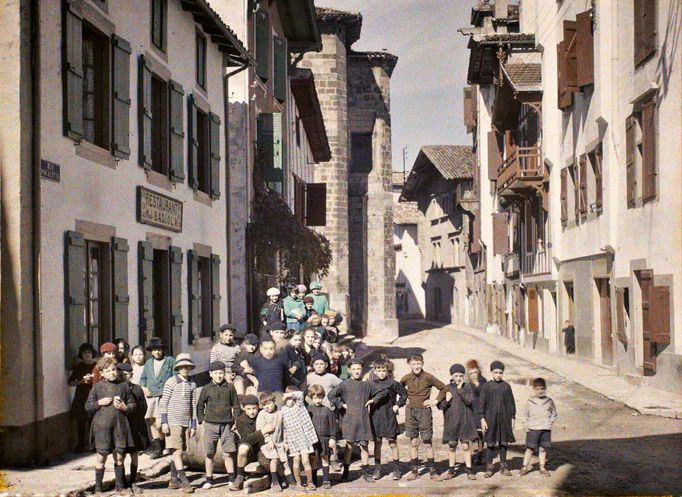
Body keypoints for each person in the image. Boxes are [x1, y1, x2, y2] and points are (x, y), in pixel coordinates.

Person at [328, 358, 387, 483]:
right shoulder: (345, 384)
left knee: (364, 446)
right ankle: (346, 472)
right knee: (349, 445)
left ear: (362, 370)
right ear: (349, 370)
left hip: (364, 419)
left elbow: (383, 391)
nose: (356, 371)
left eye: (359, 369)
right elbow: (331, 395)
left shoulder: (367, 385)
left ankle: (365, 472)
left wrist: (372, 400)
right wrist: (341, 405)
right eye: (354, 369)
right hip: (350, 419)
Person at [85, 357, 136, 494]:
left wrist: (125, 407)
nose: (112, 373)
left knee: (119, 456)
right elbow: (88, 406)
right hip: (102, 427)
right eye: (108, 371)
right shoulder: (98, 387)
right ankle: (98, 488)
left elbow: (132, 404)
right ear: (101, 373)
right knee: (101, 457)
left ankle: (119, 486)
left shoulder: (123, 386)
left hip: (120, 426)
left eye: (113, 369)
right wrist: (99, 403)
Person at [400, 354, 449, 481]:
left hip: (424, 412)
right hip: (410, 412)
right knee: (413, 442)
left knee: (427, 442)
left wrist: (435, 401)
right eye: (413, 364)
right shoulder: (406, 378)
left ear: (422, 363)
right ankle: (414, 471)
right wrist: (403, 400)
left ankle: (433, 471)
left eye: (418, 364)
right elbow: (398, 390)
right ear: (409, 365)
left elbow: (443, 388)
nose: (416, 367)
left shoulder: (428, 377)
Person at [197, 361, 242, 490]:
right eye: (216, 373)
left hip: (227, 425)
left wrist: (236, 421)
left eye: (221, 373)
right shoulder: (206, 388)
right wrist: (202, 421)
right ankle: (209, 480)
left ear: (225, 374)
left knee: (228, 453)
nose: (219, 376)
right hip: (210, 425)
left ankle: (231, 479)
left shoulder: (230, 387)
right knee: (209, 453)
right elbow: (200, 406)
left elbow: (236, 405)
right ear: (210, 374)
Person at [160, 353, 198, 493]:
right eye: (181, 366)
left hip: (185, 422)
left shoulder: (192, 383)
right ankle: (184, 480)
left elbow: (193, 405)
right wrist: (164, 422)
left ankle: (173, 479)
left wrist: (193, 424)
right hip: (172, 421)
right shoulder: (171, 381)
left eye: (187, 366)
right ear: (178, 367)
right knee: (177, 450)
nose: (184, 369)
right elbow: (164, 403)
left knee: (179, 452)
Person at [438, 364, 478, 480]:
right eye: (456, 376)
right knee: (452, 446)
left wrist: (460, 390)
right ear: (451, 375)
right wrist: (446, 400)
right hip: (451, 422)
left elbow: (469, 401)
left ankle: (469, 470)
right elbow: (440, 407)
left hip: (465, 422)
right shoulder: (446, 388)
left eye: (461, 376)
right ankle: (451, 470)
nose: (459, 378)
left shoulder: (467, 387)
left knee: (466, 446)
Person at [369, 358, 407, 481]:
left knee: (392, 442)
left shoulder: (393, 383)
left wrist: (398, 405)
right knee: (377, 443)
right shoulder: (370, 384)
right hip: (375, 416)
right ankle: (378, 468)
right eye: (379, 370)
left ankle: (396, 468)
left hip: (389, 416)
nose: (381, 373)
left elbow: (404, 394)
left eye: (384, 370)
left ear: (387, 371)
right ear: (374, 371)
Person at [139, 337, 176, 459]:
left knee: (161, 423)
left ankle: (163, 444)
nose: (157, 352)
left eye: (159, 349)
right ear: (151, 351)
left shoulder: (170, 361)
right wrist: (144, 389)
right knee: (152, 421)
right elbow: (143, 379)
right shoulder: (149, 363)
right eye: (154, 350)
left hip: (164, 396)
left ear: (163, 350)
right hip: (151, 397)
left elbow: (175, 377)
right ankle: (157, 448)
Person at [480, 360, 516, 478]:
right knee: (490, 443)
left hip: (504, 419)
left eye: (500, 373)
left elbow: (511, 403)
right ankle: (489, 466)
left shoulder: (506, 386)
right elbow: (482, 403)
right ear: (491, 372)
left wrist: (513, 418)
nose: (498, 375)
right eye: (496, 372)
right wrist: (482, 418)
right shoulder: (487, 386)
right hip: (491, 419)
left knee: (503, 442)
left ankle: (503, 465)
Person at [230, 395, 275, 491]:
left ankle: (274, 477)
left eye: (254, 408)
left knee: (267, 464)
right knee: (242, 449)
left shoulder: (263, 413)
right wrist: (263, 431)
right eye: (248, 409)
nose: (252, 411)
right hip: (250, 448)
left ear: (258, 406)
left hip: (262, 447)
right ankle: (240, 475)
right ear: (243, 408)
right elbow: (247, 439)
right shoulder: (241, 420)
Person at [117, 362, 150, 491]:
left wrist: (136, 417)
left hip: (135, 425)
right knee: (121, 454)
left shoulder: (137, 389)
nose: (123, 377)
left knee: (134, 454)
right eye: (121, 375)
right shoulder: (116, 388)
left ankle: (132, 481)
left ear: (131, 375)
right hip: (121, 427)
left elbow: (143, 406)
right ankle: (122, 482)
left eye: (126, 374)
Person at [281, 387, 319, 490]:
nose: (290, 401)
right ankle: (298, 483)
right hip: (292, 439)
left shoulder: (299, 406)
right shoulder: (283, 410)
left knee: (306, 460)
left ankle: (310, 482)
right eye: (288, 399)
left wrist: (289, 395)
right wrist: (285, 441)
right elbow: (284, 428)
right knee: (296, 460)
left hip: (303, 438)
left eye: (292, 398)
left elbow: (300, 394)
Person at [520, 378, 557, 477]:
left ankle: (542, 467)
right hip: (533, 428)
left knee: (543, 449)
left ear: (545, 389)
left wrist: (550, 422)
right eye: (537, 389)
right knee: (530, 449)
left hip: (545, 429)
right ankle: (524, 467)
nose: (540, 391)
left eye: (542, 389)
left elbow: (554, 413)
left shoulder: (549, 401)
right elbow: (525, 415)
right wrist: (525, 425)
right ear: (534, 389)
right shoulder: (530, 402)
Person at [257, 391, 293, 492]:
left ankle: (293, 482)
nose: (266, 407)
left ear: (274, 401)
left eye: (268, 403)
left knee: (285, 462)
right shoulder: (262, 414)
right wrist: (268, 440)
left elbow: (284, 428)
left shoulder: (280, 413)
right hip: (267, 443)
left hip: (279, 442)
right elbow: (260, 430)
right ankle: (275, 482)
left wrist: (285, 441)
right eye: (264, 405)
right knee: (274, 459)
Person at [307, 384, 336, 489]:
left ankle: (326, 479)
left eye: (320, 397)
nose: (318, 400)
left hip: (325, 439)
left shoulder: (328, 410)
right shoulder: (308, 410)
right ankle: (314, 479)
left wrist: (332, 438)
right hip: (313, 439)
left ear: (323, 397)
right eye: (315, 398)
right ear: (311, 398)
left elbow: (333, 426)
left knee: (325, 459)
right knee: (314, 459)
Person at [68, 342, 96, 452]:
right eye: (85, 353)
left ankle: (93, 444)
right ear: (82, 354)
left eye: (89, 352)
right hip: (81, 396)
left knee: (92, 422)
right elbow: (70, 382)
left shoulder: (96, 366)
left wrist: (93, 379)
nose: (87, 355)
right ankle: (81, 444)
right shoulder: (78, 367)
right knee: (80, 422)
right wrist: (81, 381)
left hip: (93, 395)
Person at [247, 338, 288, 405]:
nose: (268, 352)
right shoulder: (255, 360)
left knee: (279, 410)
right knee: (262, 410)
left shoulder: (280, 359)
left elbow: (286, 373)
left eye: (271, 349)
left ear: (275, 349)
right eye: (265, 349)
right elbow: (246, 371)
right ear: (260, 349)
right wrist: (254, 380)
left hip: (278, 392)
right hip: (262, 392)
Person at [210, 324, 246, 395]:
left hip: (235, 374)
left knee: (240, 387)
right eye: (226, 335)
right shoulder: (216, 348)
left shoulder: (236, 348)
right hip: (220, 374)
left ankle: (239, 402)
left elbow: (240, 363)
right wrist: (224, 375)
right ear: (221, 334)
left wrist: (235, 373)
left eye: (230, 335)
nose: (228, 337)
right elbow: (213, 366)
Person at [466, 359, 487, 465]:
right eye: (471, 373)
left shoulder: (483, 381)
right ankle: (472, 455)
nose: (473, 375)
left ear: (478, 371)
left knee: (481, 434)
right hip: (471, 410)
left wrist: (477, 384)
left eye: (475, 372)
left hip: (480, 410)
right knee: (471, 434)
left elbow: (484, 394)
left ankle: (481, 454)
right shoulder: (467, 383)